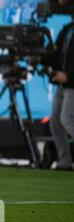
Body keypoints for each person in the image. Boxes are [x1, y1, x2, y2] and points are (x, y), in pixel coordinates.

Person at [50, 11, 74, 171]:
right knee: (55, 122)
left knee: (67, 119)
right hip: (61, 83)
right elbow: (55, 53)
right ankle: (64, 161)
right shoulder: (67, 30)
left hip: (71, 84)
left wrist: (69, 76)